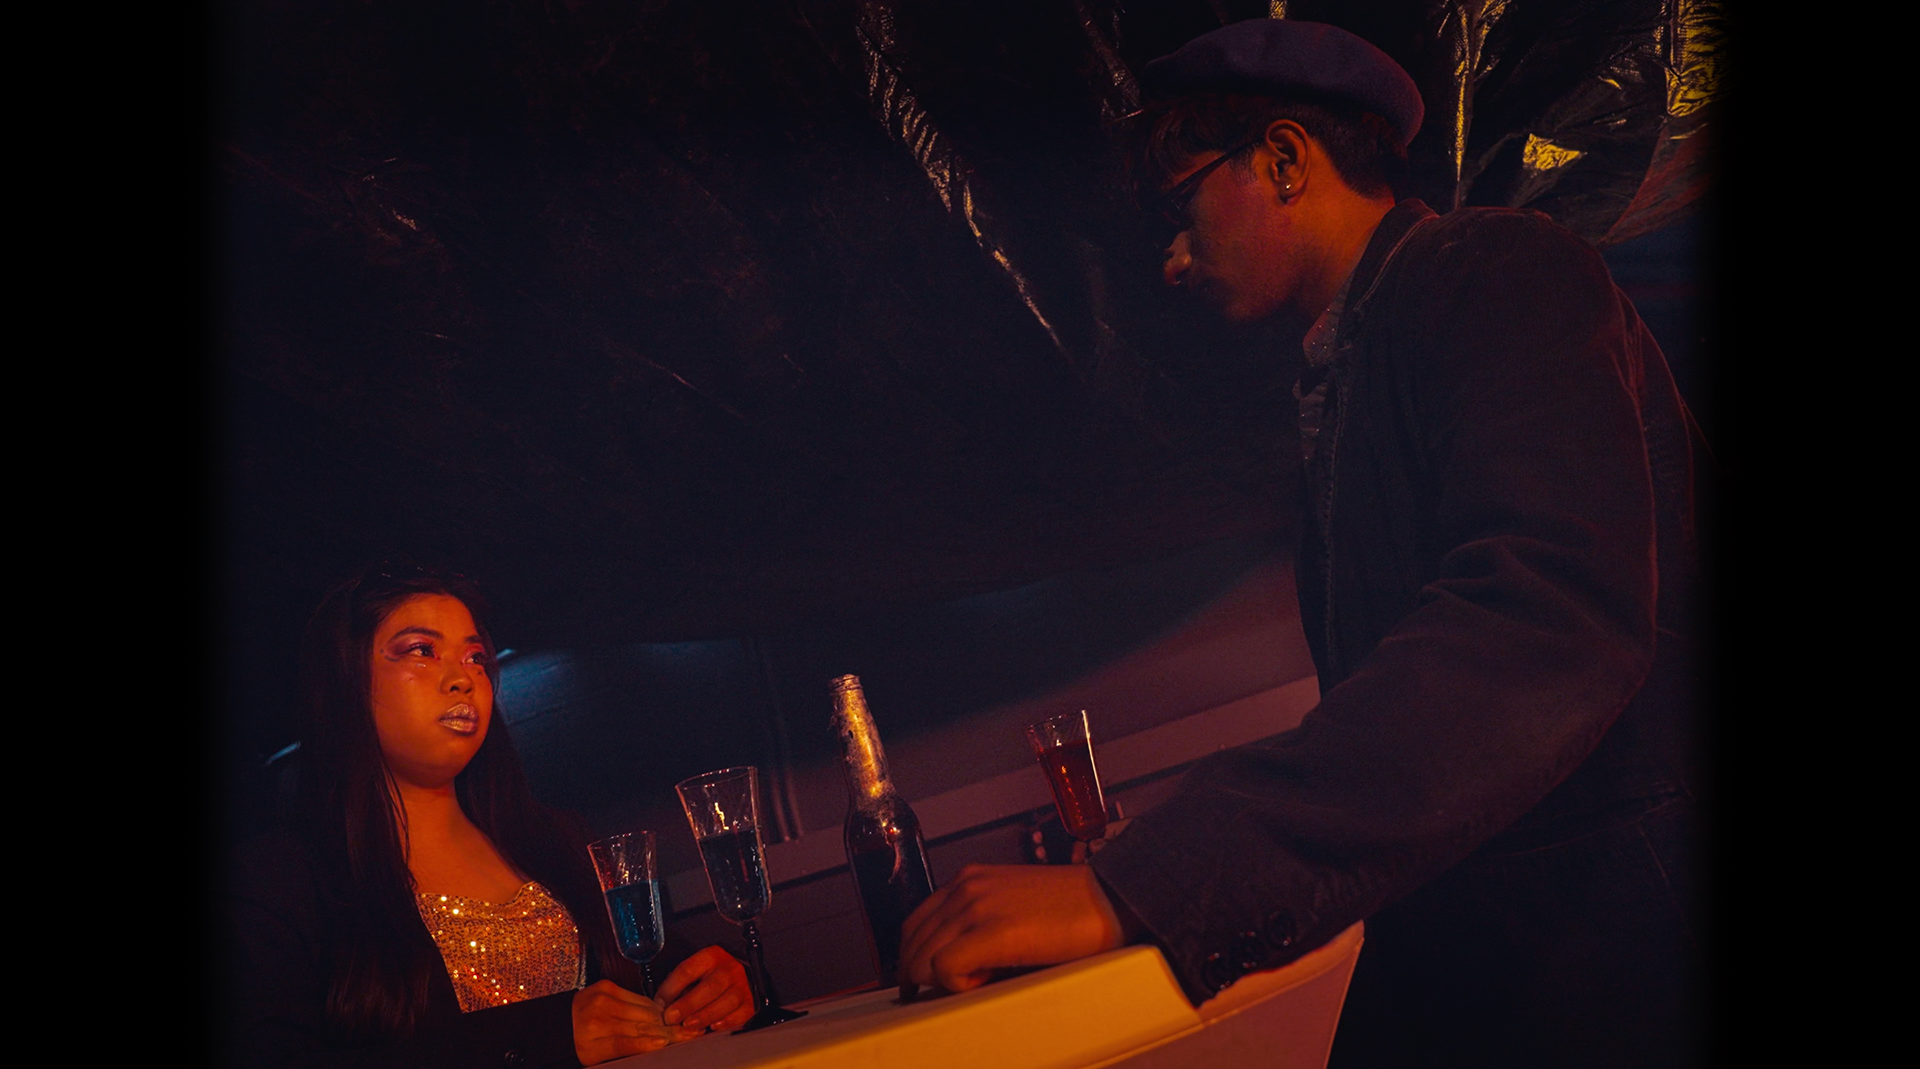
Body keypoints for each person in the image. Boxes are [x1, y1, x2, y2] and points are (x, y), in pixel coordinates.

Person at [898, 18, 1701, 1067]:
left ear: (1283, 159)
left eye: (1180, 207)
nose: (1172, 261)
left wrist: (1147, 884)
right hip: (1492, 958)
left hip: (1616, 966)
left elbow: (1546, 620)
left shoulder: (1496, 268)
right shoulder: (1364, 356)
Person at [228, 563, 757, 1068]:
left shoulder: (560, 841)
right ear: (345, 680)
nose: (462, 678)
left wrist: (720, 988)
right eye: (422, 650)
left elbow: (667, 981)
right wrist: (544, 1036)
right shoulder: (280, 881)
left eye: (475, 657)